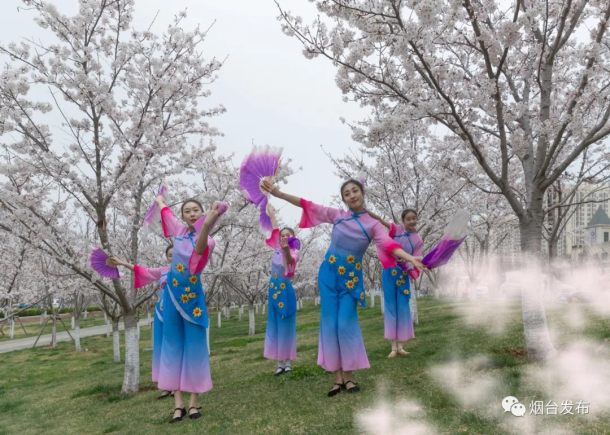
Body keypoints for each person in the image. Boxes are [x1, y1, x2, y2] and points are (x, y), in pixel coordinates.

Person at [261, 178, 424, 397]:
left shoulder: (373, 225)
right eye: (347, 193)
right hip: (328, 276)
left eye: (355, 191)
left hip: (351, 281)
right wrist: (280, 194)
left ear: (362, 193)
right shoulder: (338, 216)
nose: (352, 195)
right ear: (344, 199)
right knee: (329, 326)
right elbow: (308, 205)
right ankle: (337, 380)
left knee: (345, 325)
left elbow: (389, 245)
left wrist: (411, 259)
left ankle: (349, 378)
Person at [155, 196, 221, 423]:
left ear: (203, 213)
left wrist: (208, 223)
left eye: (196, 211)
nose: (191, 214)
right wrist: (161, 200)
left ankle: (193, 403)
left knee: (195, 349)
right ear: (182, 216)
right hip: (172, 298)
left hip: (192, 300)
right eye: (187, 211)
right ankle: (177, 405)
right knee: (172, 348)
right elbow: (166, 213)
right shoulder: (179, 231)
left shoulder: (209, 240)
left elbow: (198, 252)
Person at [108, 246, 174, 399]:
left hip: (178, 314)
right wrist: (122, 263)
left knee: (176, 348)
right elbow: (143, 271)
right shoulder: (162, 271)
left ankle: (179, 382)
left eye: (176, 254)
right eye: (170, 255)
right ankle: (166, 386)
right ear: (166, 257)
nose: (173, 257)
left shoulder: (187, 270)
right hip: (162, 313)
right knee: (162, 348)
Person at [368, 209, 423, 357]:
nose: (412, 221)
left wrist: (408, 260)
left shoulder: (418, 240)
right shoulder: (397, 229)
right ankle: (393, 347)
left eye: (414, 218)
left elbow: (417, 258)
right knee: (390, 307)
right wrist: (366, 212)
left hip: (403, 274)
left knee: (403, 308)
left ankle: (401, 347)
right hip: (389, 272)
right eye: (408, 219)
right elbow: (379, 219)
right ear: (403, 221)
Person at [263, 204, 299, 376]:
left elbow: (290, 263)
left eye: (288, 235)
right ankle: (279, 363)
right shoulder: (277, 249)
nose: (284, 237)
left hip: (286, 292)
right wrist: (271, 214)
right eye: (283, 235)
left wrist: (286, 250)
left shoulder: (294, 251)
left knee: (287, 326)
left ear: (293, 237)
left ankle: (288, 361)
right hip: (273, 291)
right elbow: (276, 229)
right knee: (275, 326)